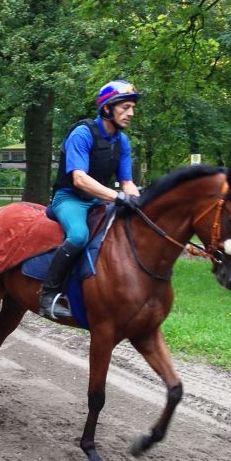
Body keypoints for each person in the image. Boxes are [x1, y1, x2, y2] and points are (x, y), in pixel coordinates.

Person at [39, 79, 142, 320]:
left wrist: (140, 204)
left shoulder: (122, 142)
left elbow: (126, 182)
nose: (131, 113)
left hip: (99, 200)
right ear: (107, 109)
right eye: (125, 107)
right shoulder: (82, 133)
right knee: (78, 235)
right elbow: (79, 179)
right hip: (70, 198)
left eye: (132, 108)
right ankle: (48, 294)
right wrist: (117, 197)